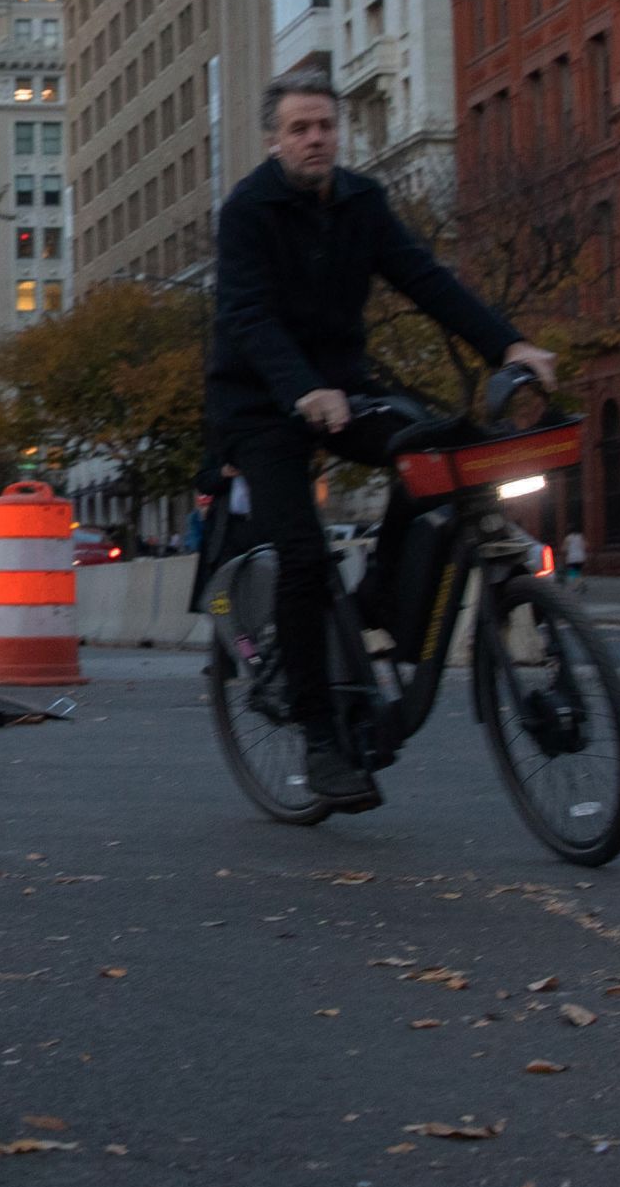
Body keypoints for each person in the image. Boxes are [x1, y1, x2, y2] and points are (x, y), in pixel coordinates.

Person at [207, 69, 555, 813]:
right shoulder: (247, 210)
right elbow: (248, 316)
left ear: (340, 131)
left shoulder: (363, 201)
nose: (314, 138)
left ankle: (375, 601)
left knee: (436, 452)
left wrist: (510, 346)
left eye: (324, 125)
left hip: (344, 386)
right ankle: (321, 738)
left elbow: (428, 281)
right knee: (301, 555)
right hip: (262, 400)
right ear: (275, 139)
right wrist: (302, 387)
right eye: (299, 128)